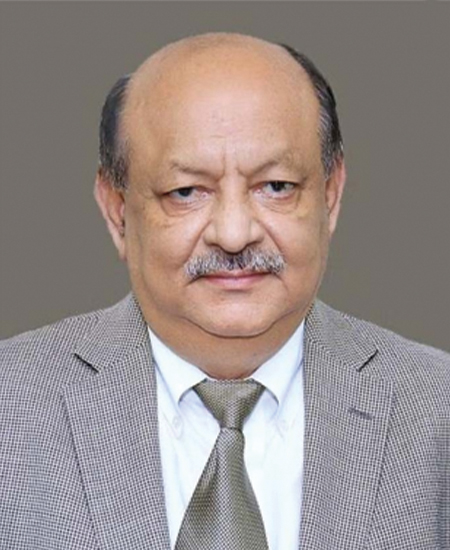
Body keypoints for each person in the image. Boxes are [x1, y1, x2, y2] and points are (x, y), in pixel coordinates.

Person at [1, 33, 449, 550]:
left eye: (276, 186)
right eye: (186, 192)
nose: (234, 234)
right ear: (117, 210)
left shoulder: (435, 408)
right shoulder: (11, 407)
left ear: (330, 195)